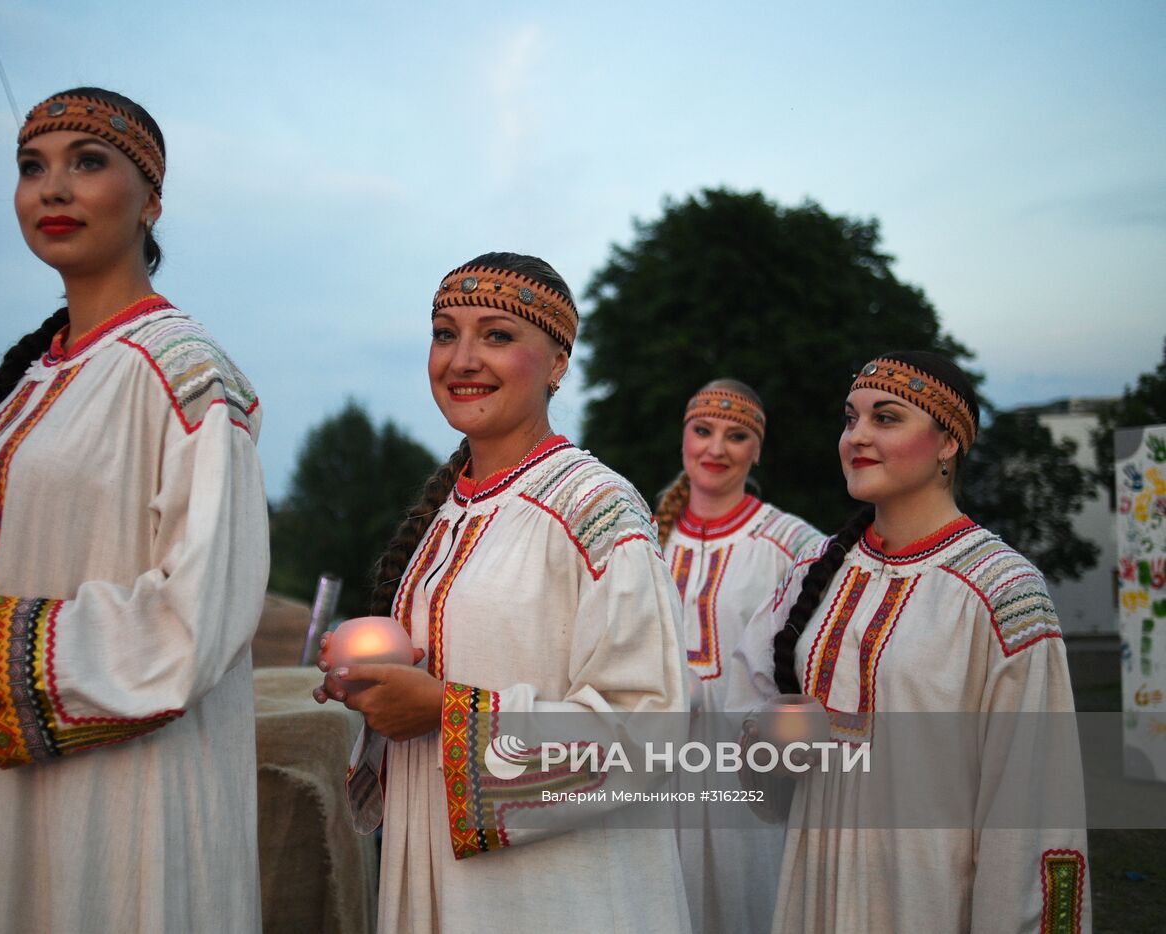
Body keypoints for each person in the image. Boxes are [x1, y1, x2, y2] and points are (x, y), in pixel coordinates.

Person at [0, 88, 267, 933]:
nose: (53, 188)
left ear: (150, 200)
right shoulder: (26, 388)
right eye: (31, 168)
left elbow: (198, 620)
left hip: (126, 800)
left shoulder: (187, 379)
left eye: (88, 163)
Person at [315, 252, 691, 933]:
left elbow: (650, 727)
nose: (461, 359)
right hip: (438, 874)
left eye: (496, 335)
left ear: (556, 364)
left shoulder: (596, 508)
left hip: (556, 898)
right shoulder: (445, 518)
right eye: (443, 333)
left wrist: (446, 712)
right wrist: (371, 690)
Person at [730, 351, 1091, 933]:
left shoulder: (1003, 591)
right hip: (812, 890)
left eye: (887, 418)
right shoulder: (811, 573)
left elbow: (1031, 806)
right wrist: (767, 740)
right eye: (851, 418)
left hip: (931, 897)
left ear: (948, 443)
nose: (858, 437)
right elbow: (752, 736)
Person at [654, 380, 820, 932]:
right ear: (684, 437)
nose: (715, 449)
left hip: (745, 775)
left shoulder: (794, 545)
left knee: (750, 904)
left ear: (757, 449)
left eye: (737, 435)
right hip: (654, 772)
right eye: (703, 431)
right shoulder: (645, 542)